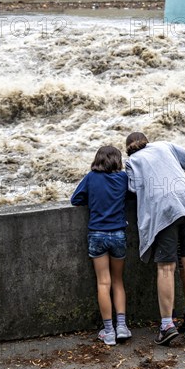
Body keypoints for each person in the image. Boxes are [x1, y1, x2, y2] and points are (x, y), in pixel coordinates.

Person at [125, 132, 185, 346]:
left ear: (128, 148)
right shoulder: (165, 146)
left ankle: (167, 326)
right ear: (148, 141)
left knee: (166, 268)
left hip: (164, 212)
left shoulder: (132, 162)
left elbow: (133, 190)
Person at [71, 145, 132, 346]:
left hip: (97, 235)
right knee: (118, 281)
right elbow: (133, 195)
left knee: (103, 283)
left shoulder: (91, 178)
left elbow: (75, 199)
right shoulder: (123, 178)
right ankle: (122, 327)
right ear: (117, 160)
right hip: (118, 235)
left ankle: (108, 331)